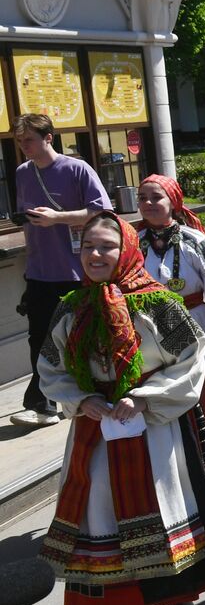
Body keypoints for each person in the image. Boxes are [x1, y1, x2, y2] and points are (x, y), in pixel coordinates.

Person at [37, 212, 205, 605]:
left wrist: (141, 396)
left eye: (106, 246)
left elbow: (191, 361)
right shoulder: (71, 307)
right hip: (95, 435)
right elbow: (50, 366)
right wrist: (80, 398)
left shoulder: (159, 305)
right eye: (88, 247)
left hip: (152, 432)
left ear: (125, 248)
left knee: (165, 520)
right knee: (96, 525)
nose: (96, 255)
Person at [135, 175, 205, 492]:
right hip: (152, 330)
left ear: (173, 202)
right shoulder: (131, 242)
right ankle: (178, 468)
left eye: (154, 197)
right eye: (142, 197)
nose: (146, 203)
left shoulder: (195, 242)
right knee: (161, 394)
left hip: (197, 324)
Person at [11, 113, 112, 428]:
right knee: (39, 337)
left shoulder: (76, 169)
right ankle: (43, 404)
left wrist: (57, 218)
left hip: (75, 270)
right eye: (19, 141)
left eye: (29, 139)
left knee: (78, 336)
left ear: (48, 138)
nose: (24, 146)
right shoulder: (23, 173)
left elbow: (102, 211)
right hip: (39, 269)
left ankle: (85, 395)